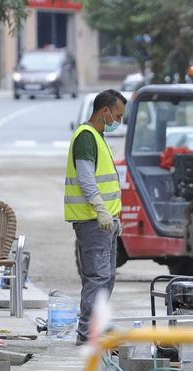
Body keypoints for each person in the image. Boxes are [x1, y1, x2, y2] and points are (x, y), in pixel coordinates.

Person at [66, 89, 127, 344]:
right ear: (105, 111)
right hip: (93, 221)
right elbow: (86, 178)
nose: (119, 121)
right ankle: (86, 335)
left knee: (107, 276)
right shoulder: (86, 137)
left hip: (104, 222)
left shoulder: (98, 137)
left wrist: (113, 216)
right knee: (97, 277)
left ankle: (96, 328)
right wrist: (101, 211)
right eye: (118, 115)